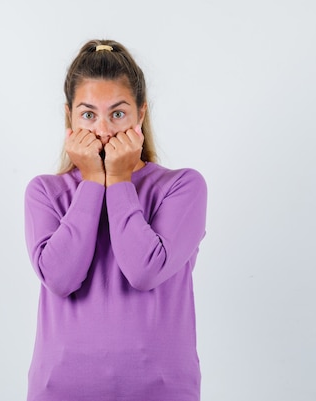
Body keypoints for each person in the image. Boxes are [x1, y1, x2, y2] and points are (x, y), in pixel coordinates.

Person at [24, 39, 207, 401]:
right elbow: (60, 278)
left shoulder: (182, 187)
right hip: (61, 391)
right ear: (69, 118)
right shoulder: (45, 192)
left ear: (141, 114)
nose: (104, 130)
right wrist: (92, 182)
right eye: (89, 114)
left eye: (118, 113)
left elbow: (144, 271)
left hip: (160, 391)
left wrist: (120, 181)